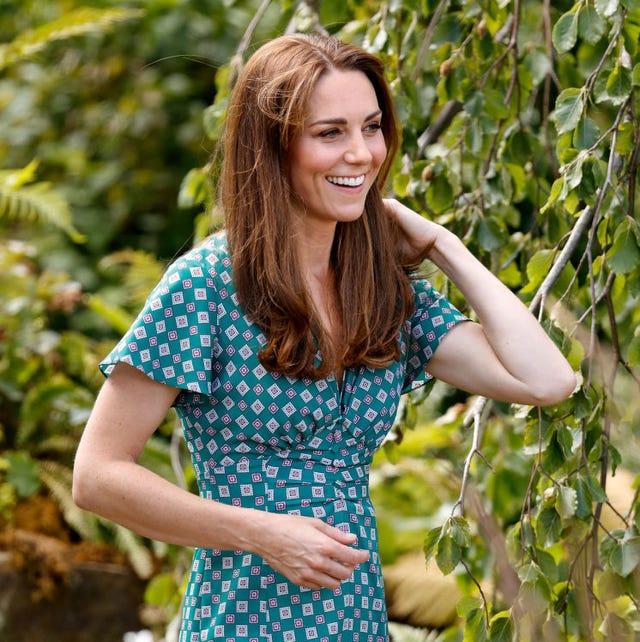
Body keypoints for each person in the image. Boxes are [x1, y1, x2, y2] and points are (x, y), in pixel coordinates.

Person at [72, 32, 575, 642]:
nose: (361, 154)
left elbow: (547, 380)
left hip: (354, 620)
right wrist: (261, 532)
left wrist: (447, 247)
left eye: (372, 127)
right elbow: (97, 475)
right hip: (242, 620)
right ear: (273, 147)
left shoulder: (382, 292)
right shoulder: (206, 285)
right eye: (330, 133)